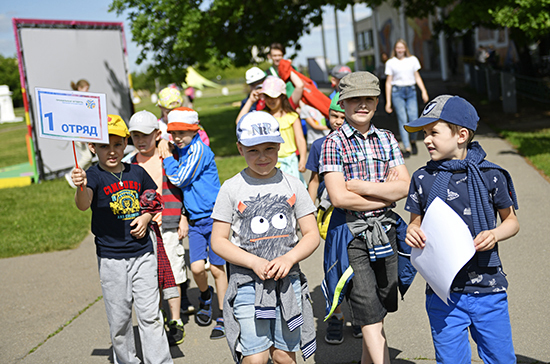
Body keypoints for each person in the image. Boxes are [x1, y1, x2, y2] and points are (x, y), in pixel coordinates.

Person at [404, 95, 520, 364]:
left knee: (501, 359)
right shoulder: (422, 177)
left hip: (488, 290)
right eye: (424, 133)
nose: (426, 140)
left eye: (433, 132)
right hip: (443, 294)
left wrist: (495, 234)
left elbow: (511, 222)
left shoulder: (492, 174)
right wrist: (413, 231)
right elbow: (415, 222)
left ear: (461, 134)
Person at [211, 111, 320, 364]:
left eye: (269, 148)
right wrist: (254, 263)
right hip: (247, 282)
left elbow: (311, 234)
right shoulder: (231, 188)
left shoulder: (294, 184)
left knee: (283, 355)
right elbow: (218, 240)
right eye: (253, 150)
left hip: (287, 282)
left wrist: (290, 258)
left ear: (280, 146)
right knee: (256, 357)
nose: (262, 157)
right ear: (240, 149)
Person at [320, 72, 410, 364]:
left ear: (376, 101)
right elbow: (339, 198)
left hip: (385, 230)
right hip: (352, 234)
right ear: (342, 103)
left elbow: (406, 186)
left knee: (382, 303)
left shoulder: (386, 138)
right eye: (354, 99)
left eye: (368, 98)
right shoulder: (333, 143)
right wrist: (387, 192)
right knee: (368, 310)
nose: (362, 104)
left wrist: (363, 187)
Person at [71, 115, 173, 364]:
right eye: (105, 146)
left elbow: (153, 200)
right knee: (119, 319)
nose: (112, 151)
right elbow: (83, 206)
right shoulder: (93, 175)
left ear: (125, 143)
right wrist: (80, 186)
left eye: (117, 144)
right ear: (92, 147)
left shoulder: (136, 172)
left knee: (150, 315)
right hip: (111, 258)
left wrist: (147, 217)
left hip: (143, 254)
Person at [160, 106, 228, 340]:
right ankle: (205, 295)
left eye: (182, 132)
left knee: (218, 269)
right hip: (196, 219)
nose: (177, 138)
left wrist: (168, 157)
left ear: (195, 130)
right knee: (197, 268)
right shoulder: (184, 150)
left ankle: (223, 316)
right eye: (173, 133)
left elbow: (179, 178)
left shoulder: (198, 150)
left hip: (214, 217)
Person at [128, 110, 193, 346]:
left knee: (173, 273)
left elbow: (182, 187)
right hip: (144, 227)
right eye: (135, 136)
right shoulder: (129, 164)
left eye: (146, 135)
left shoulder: (169, 156)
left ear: (157, 134)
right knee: (149, 275)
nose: (141, 140)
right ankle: (157, 317)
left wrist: (183, 216)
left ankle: (176, 319)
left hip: (168, 222)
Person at [237, 76, 307, 184]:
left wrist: (302, 159)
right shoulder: (261, 116)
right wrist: (251, 101)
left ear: (282, 97)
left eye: (274, 96)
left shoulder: (292, 116)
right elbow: (239, 122)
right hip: (267, 161)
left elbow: (300, 139)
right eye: (267, 96)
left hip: (289, 162)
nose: (270, 100)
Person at [384, 39, 429, 158]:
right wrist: (388, 102)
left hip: (411, 91)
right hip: (397, 92)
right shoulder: (391, 62)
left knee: (413, 117)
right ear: (395, 49)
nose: (400, 50)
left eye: (401, 47)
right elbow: (388, 82)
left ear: (405, 48)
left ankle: (413, 140)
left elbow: (417, 77)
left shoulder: (412, 60)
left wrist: (423, 91)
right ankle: (407, 147)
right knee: (402, 119)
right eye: (397, 47)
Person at [65, 79, 94, 188]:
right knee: (87, 157)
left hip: (82, 133)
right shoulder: (76, 101)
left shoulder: (82, 100)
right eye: (86, 88)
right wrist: (81, 135)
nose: (88, 91)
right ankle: (71, 175)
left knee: (89, 160)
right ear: (80, 88)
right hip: (77, 133)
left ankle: (88, 178)